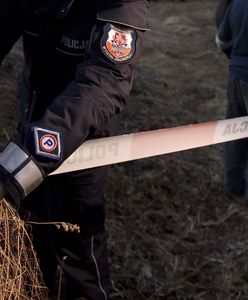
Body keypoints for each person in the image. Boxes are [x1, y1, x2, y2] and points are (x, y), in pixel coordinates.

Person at [0, 0, 149, 299]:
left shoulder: (122, 4)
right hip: (30, 124)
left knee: (79, 257)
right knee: (31, 243)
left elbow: (105, 82)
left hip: (80, 148)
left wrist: (26, 158)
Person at [215, 0, 248, 204]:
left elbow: (221, 40)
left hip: (237, 75)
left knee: (236, 129)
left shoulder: (238, 3)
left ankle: (233, 185)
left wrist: (236, 60)